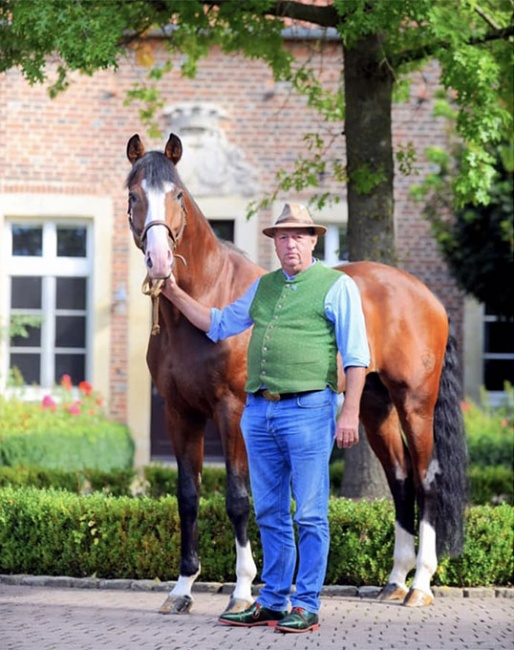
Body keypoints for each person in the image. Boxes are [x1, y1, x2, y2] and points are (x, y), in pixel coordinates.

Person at [163, 203, 370, 633]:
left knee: (310, 513)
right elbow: (217, 324)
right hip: (259, 412)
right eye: (282, 236)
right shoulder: (264, 287)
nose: (289, 243)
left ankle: (306, 603)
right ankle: (274, 600)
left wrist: (349, 411)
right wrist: (173, 293)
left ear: (314, 239)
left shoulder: (337, 286)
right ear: (274, 242)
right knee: (271, 512)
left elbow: (356, 355)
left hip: (309, 409)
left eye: (298, 236)